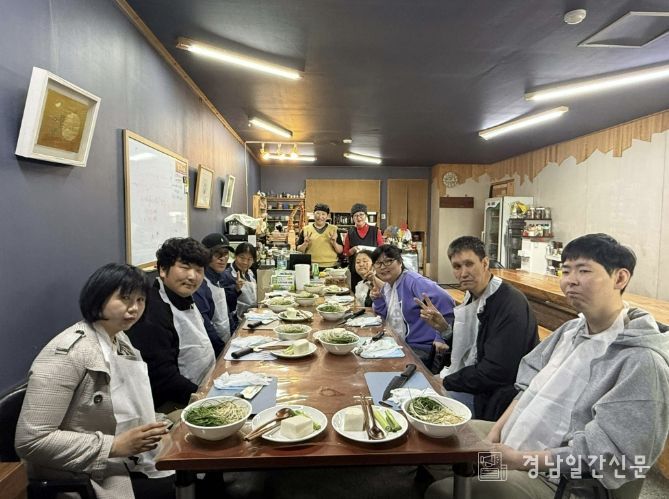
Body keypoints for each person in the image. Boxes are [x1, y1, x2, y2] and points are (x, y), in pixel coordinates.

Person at [426, 233, 669, 499]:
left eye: (584, 270)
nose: (571, 280)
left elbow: (613, 458)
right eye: (566, 270)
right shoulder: (571, 330)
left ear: (620, 278)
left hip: (558, 479)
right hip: (515, 440)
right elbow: (527, 387)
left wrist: (518, 460)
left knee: (441, 491)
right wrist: (494, 435)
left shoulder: (641, 360)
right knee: (434, 441)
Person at [15, 263, 175, 499]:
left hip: (128, 456)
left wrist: (158, 425)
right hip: (82, 473)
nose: (134, 308)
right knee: (177, 482)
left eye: (140, 300)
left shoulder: (119, 339)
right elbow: (32, 440)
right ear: (98, 297)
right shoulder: (68, 353)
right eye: (125, 298)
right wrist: (114, 446)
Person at [417, 236, 538, 419]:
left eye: (469, 264)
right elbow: (470, 347)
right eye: (457, 266)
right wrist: (445, 329)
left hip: (496, 399)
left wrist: (447, 381)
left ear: (485, 263)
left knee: (423, 405)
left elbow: (497, 371)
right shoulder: (472, 295)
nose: (463, 273)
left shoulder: (509, 304)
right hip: (475, 384)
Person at [127, 237, 215, 412]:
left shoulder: (183, 297)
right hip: (174, 404)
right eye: (185, 267)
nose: (192, 276)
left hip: (203, 385)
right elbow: (163, 379)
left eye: (199, 270)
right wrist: (208, 399)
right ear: (162, 269)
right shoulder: (152, 310)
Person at [369, 244, 455, 362]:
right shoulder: (389, 286)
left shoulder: (414, 282)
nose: (383, 267)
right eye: (378, 263)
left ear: (400, 262)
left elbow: (446, 301)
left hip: (422, 348)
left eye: (388, 261)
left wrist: (441, 337)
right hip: (401, 342)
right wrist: (378, 299)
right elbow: (383, 318)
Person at [193, 233, 233, 345]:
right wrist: (220, 347)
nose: (222, 258)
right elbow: (205, 324)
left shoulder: (221, 277)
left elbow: (226, 311)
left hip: (226, 339)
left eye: (225, 254)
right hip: (214, 345)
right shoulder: (200, 284)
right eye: (217, 254)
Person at [343, 202, 384, 290]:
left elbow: (381, 250)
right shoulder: (350, 232)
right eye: (355, 215)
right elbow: (345, 252)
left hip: (372, 271)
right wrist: (352, 250)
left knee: (373, 293)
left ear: (366, 216)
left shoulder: (376, 231)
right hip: (356, 271)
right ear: (353, 218)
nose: (359, 218)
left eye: (361, 214)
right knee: (356, 294)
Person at [221, 242, 257, 332]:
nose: (245, 262)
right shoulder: (227, 275)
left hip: (252, 317)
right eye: (242, 258)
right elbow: (226, 304)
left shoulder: (250, 273)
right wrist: (236, 288)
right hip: (238, 322)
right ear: (235, 256)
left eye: (249, 259)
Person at [296, 203, 343, 270]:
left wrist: (334, 243)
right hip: (311, 266)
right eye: (318, 213)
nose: (320, 217)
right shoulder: (306, 229)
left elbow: (340, 251)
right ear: (313, 214)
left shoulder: (334, 229)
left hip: (331, 266)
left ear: (327, 216)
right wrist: (305, 244)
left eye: (323, 214)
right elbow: (299, 250)